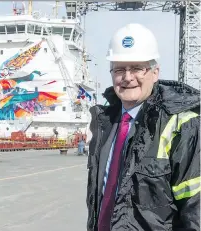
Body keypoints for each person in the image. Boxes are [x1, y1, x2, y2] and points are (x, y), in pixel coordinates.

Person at [86, 23, 200, 231]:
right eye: (120, 69)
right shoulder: (105, 124)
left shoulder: (182, 125)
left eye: (137, 68)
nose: (128, 78)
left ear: (155, 73)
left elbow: (195, 210)